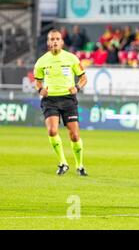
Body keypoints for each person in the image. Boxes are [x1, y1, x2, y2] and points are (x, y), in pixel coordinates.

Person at [33, 29, 88, 176]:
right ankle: (63, 163)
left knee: (74, 135)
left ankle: (80, 165)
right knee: (52, 131)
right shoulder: (41, 62)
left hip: (68, 99)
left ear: (62, 42)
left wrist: (77, 87)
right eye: (52, 39)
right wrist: (40, 90)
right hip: (50, 100)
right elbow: (37, 82)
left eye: (57, 39)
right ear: (48, 42)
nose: (55, 41)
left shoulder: (72, 59)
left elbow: (83, 78)